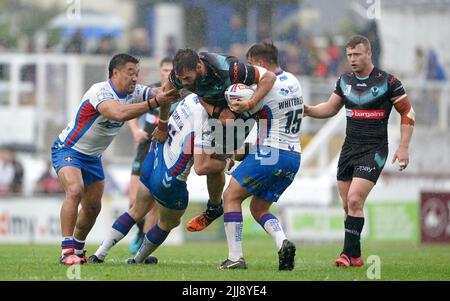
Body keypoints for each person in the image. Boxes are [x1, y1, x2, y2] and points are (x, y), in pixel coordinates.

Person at [51, 53, 177, 265]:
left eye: (137, 74)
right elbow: (117, 113)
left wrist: (171, 89)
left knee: (93, 208)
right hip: (68, 150)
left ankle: (79, 249)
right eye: (130, 73)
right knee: (75, 190)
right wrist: (156, 100)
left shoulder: (135, 92)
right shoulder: (100, 91)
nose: (135, 78)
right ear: (115, 73)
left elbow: (157, 93)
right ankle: (66, 252)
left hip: (93, 158)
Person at [189, 41, 303, 270]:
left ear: (259, 63)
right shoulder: (293, 81)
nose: (248, 72)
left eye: (250, 65)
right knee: (259, 208)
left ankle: (235, 258)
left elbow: (231, 119)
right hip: (294, 157)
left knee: (231, 197)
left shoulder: (259, 90)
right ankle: (283, 243)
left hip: (271, 152)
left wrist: (215, 105)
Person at [304, 35, 415, 268]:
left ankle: (345, 254)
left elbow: (408, 112)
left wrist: (403, 147)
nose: (352, 59)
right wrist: (308, 110)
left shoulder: (388, 81)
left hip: (374, 149)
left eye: (357, 54)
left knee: (355, 199)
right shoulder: (344, 81)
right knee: (348, 206)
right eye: (349, 55)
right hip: (349, 148)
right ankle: (355, 257)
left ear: (368, 54)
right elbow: (330, 108)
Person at [88, 93, 236, 264]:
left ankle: (99, 254)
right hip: (169, 179)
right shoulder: (205, 124)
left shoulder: (191, 98)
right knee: (169, 222)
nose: (229, 115)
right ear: (217, 106)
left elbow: (164, 100)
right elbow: (201, 167)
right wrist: (226, 162)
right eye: (228, 110)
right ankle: (138, 259)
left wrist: (163, 124)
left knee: (135, 210)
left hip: (153, 159)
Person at [162, 48, 277, 231]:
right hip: (213, 111)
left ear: (199, 67)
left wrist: (250, 103)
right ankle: (216, 204)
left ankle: (216, 202)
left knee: (207, 164)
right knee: (202, 167)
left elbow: (269, 77)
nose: (183, 83)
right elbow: (164, 96)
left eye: (188, 79)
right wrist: (161, 124)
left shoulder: (229, 69)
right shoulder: (180, 76)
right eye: (181, 79)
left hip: (240, 111)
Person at [127, 57, 180, 254]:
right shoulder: (150, 91)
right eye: (165, 69)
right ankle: (140, 232)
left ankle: (144, 248)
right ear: (160, 71)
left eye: (171, 70)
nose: (167, 73)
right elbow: (130, 112)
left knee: (154, 203)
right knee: (134, 202)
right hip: (144, 149)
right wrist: (135, 130)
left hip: (165, 152)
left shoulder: (182, 96)